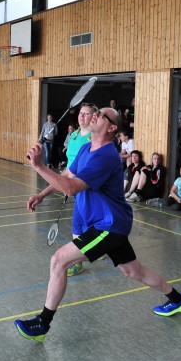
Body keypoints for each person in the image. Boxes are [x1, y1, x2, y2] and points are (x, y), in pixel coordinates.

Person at [15, 107, 181, 343]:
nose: (95, 115)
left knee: (59, 260)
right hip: (109, 222)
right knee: (134, 271)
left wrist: (39, 166)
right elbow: (67, 176)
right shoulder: (87, 148)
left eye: (101, 115)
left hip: (108, 225)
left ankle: (42, 324)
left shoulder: (106, 156)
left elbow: (71, 188)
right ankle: (178, 299)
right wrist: (42, 194)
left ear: (112, 128)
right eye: (96, 112)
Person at [64, 103, 96, 277]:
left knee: (83, 222)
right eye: (81, 113)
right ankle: (94, 250)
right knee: (82, 222)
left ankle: (78, 260)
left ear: (93, 117)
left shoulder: (94, 137)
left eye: (87, 113)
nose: (82, 116)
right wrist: (65, 181)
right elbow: (70, 162)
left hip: (87, 185)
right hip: (73, 183)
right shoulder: (74, 135)